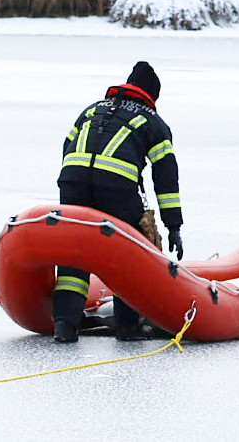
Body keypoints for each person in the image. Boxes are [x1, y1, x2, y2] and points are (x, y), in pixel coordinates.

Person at [54, 61, 184, 343]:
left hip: (72, 182)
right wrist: (173, 225)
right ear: (152, 96)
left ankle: (65, 323)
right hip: (116, 186)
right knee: (125, 250)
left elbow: (67, 147)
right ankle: (128, 326)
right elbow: (166, 179)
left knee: (73, 250)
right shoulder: (152, 121)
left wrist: (74, 185)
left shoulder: (91, 109)